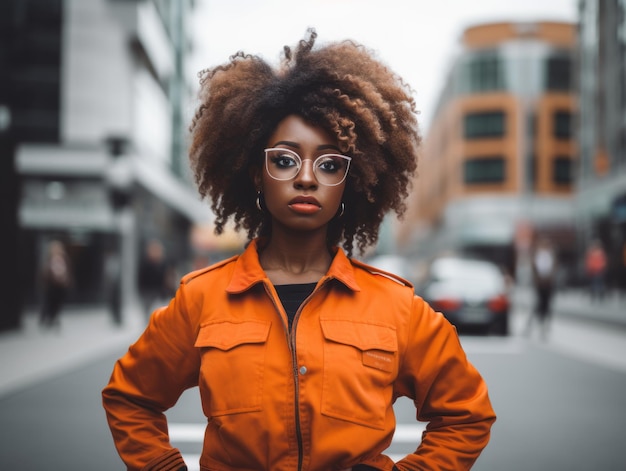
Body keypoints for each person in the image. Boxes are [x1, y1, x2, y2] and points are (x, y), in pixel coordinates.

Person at [102, 30, 495, 471]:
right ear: (256, 174)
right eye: (285, 159)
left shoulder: (398, 308)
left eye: (329, 164)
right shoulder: (201, 299)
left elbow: (466, 415)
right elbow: (129, 398)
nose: (306, 178)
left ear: (351, 180)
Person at [525, 237, 557, 340]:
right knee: (538, 305)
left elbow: (553, 269)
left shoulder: (550, 255)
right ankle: (531, 326)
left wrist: (549, 280)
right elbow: (534, 270)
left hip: (548, 284)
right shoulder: (537, 255)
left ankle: (544, 327)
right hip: (540, 284)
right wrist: (538, 280)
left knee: (546, 306)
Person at [39, 239, 72, 329]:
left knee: (57, 304)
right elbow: (45, 273)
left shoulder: (64, 259)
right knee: (50, 303)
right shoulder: (49, 260)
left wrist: (66, 281)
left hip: (60, 287)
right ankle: (48, 319)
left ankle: (54, 319)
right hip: (51, 287)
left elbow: (67, 272)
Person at [137, 238, 171, 319]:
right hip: (147, 292)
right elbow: (141, 278)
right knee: (147, 313)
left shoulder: (163, 264)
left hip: (158, 292)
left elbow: (166, 278)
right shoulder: (145, 263)